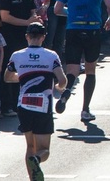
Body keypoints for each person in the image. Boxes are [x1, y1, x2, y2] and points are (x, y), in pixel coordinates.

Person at [53, 0, 110, 122]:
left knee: (72, 70)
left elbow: (57, 9)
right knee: (90, 70)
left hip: (73, 29)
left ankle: (66, 93)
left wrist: (72, 13)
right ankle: (85, 109)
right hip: (92, 28)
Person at [4, 22, 67, 181]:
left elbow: (7, 77)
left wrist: (24, 77)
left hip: (24, 104)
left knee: (30, 147)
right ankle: (37, 160)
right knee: (43, 149)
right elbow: (63, 80)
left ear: (27, 36)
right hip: (43, 105)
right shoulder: (51, 55)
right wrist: (58, 87)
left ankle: (33, 178)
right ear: (43, 37)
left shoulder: (17, 56)